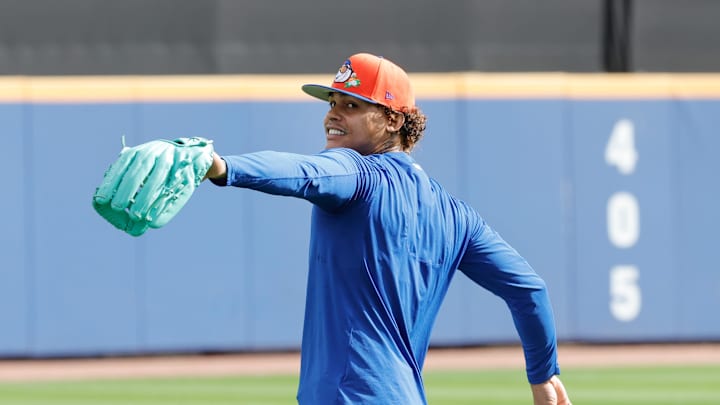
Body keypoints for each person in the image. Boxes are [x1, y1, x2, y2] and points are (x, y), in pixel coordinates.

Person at [204, 52, 571, 404]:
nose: (333, 114)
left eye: (352, 106)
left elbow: (306, 173)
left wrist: (221, 166)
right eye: (332, 102)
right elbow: (529, 289)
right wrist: (543, 376)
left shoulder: (358, 173)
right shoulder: (457, 216)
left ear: (394, 120)